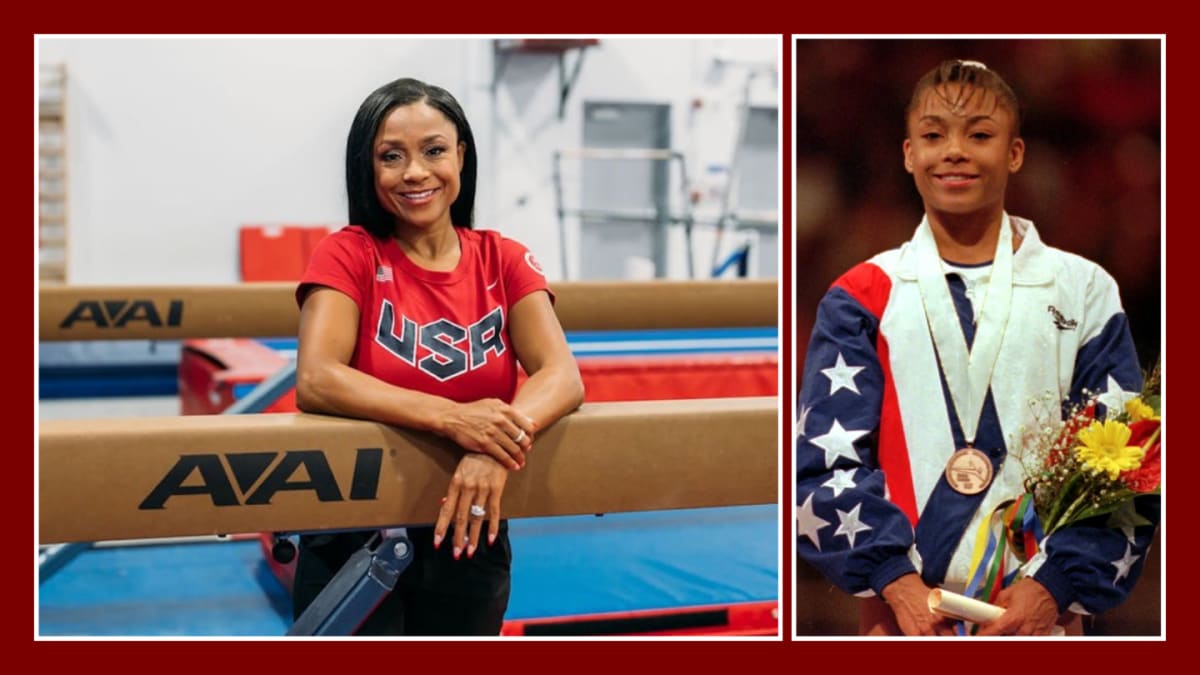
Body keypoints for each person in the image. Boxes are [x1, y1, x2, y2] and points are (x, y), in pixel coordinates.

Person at [794, 59, 1159, 636]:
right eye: (934, 135)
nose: (955, 152)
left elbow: (1125, 468)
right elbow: (825, 465)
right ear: (909, 153)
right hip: (903, 620)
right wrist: (896, 580)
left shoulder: (1084, 290)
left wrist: (1053, 587)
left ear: (1015, 154)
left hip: (1043, 619)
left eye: (980, 135)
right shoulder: (862, 295)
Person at [292, 77, 585, 635]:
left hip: (470, 526)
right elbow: (318, 377)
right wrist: (454, 418)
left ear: (461, 157)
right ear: (367, 167)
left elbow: (561, 375)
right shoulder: (349, 253)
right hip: (354, 524)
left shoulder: (502, 258)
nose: (414, 172)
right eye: (391, 156)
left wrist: (494, 448)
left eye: (433, 151)